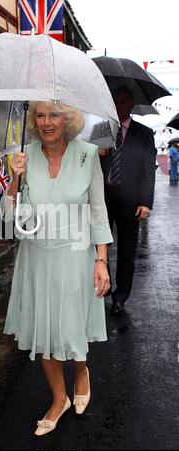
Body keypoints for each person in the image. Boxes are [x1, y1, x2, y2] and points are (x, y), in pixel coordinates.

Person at [1, 101, 113, 436]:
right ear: (33, 121)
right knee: (45, 330)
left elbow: (97, 209)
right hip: (37, 256)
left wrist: (101, 260)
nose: (47, 122)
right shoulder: (22, 157)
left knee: (68, 326)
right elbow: (9, 220)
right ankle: (59, 398)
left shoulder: (87, 154)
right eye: (40, 115)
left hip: (76, 255)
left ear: (68, 119)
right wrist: (13, 182)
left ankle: (81, 371)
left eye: (54, 115)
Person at [99, 86, 157, 317]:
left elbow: (148, 170)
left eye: (123, 102)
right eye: (115, 101)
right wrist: (95, 152)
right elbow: (85, 160)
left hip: (131, 200)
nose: (118, 105)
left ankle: (120, 298)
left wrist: (146, 202)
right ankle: (105, 288)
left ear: (131, 104)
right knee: (100, 245)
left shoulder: (144, 133)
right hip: (103, 197)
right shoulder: (102, 131)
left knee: (126, 250)